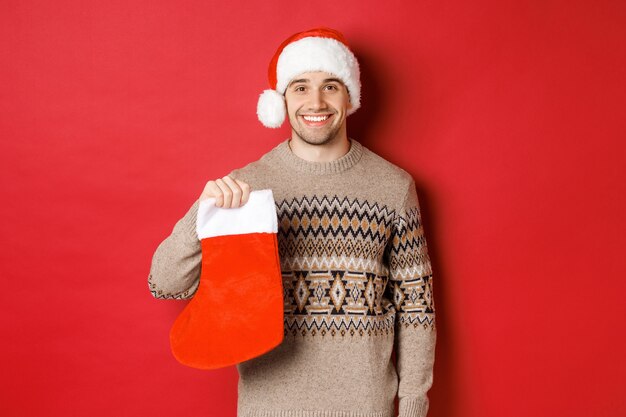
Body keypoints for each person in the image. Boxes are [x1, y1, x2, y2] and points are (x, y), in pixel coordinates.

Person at [148, 27, 437, 417]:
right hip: (269, 408)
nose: (315, 101)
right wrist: (202, 213)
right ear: (280, 100)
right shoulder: (246, 189)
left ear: (349, 95)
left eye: (330, 86)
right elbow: (164, 285)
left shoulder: (393, 187)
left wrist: (413, 407)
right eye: (300, 87)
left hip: (366, 407)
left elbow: (416, 308)